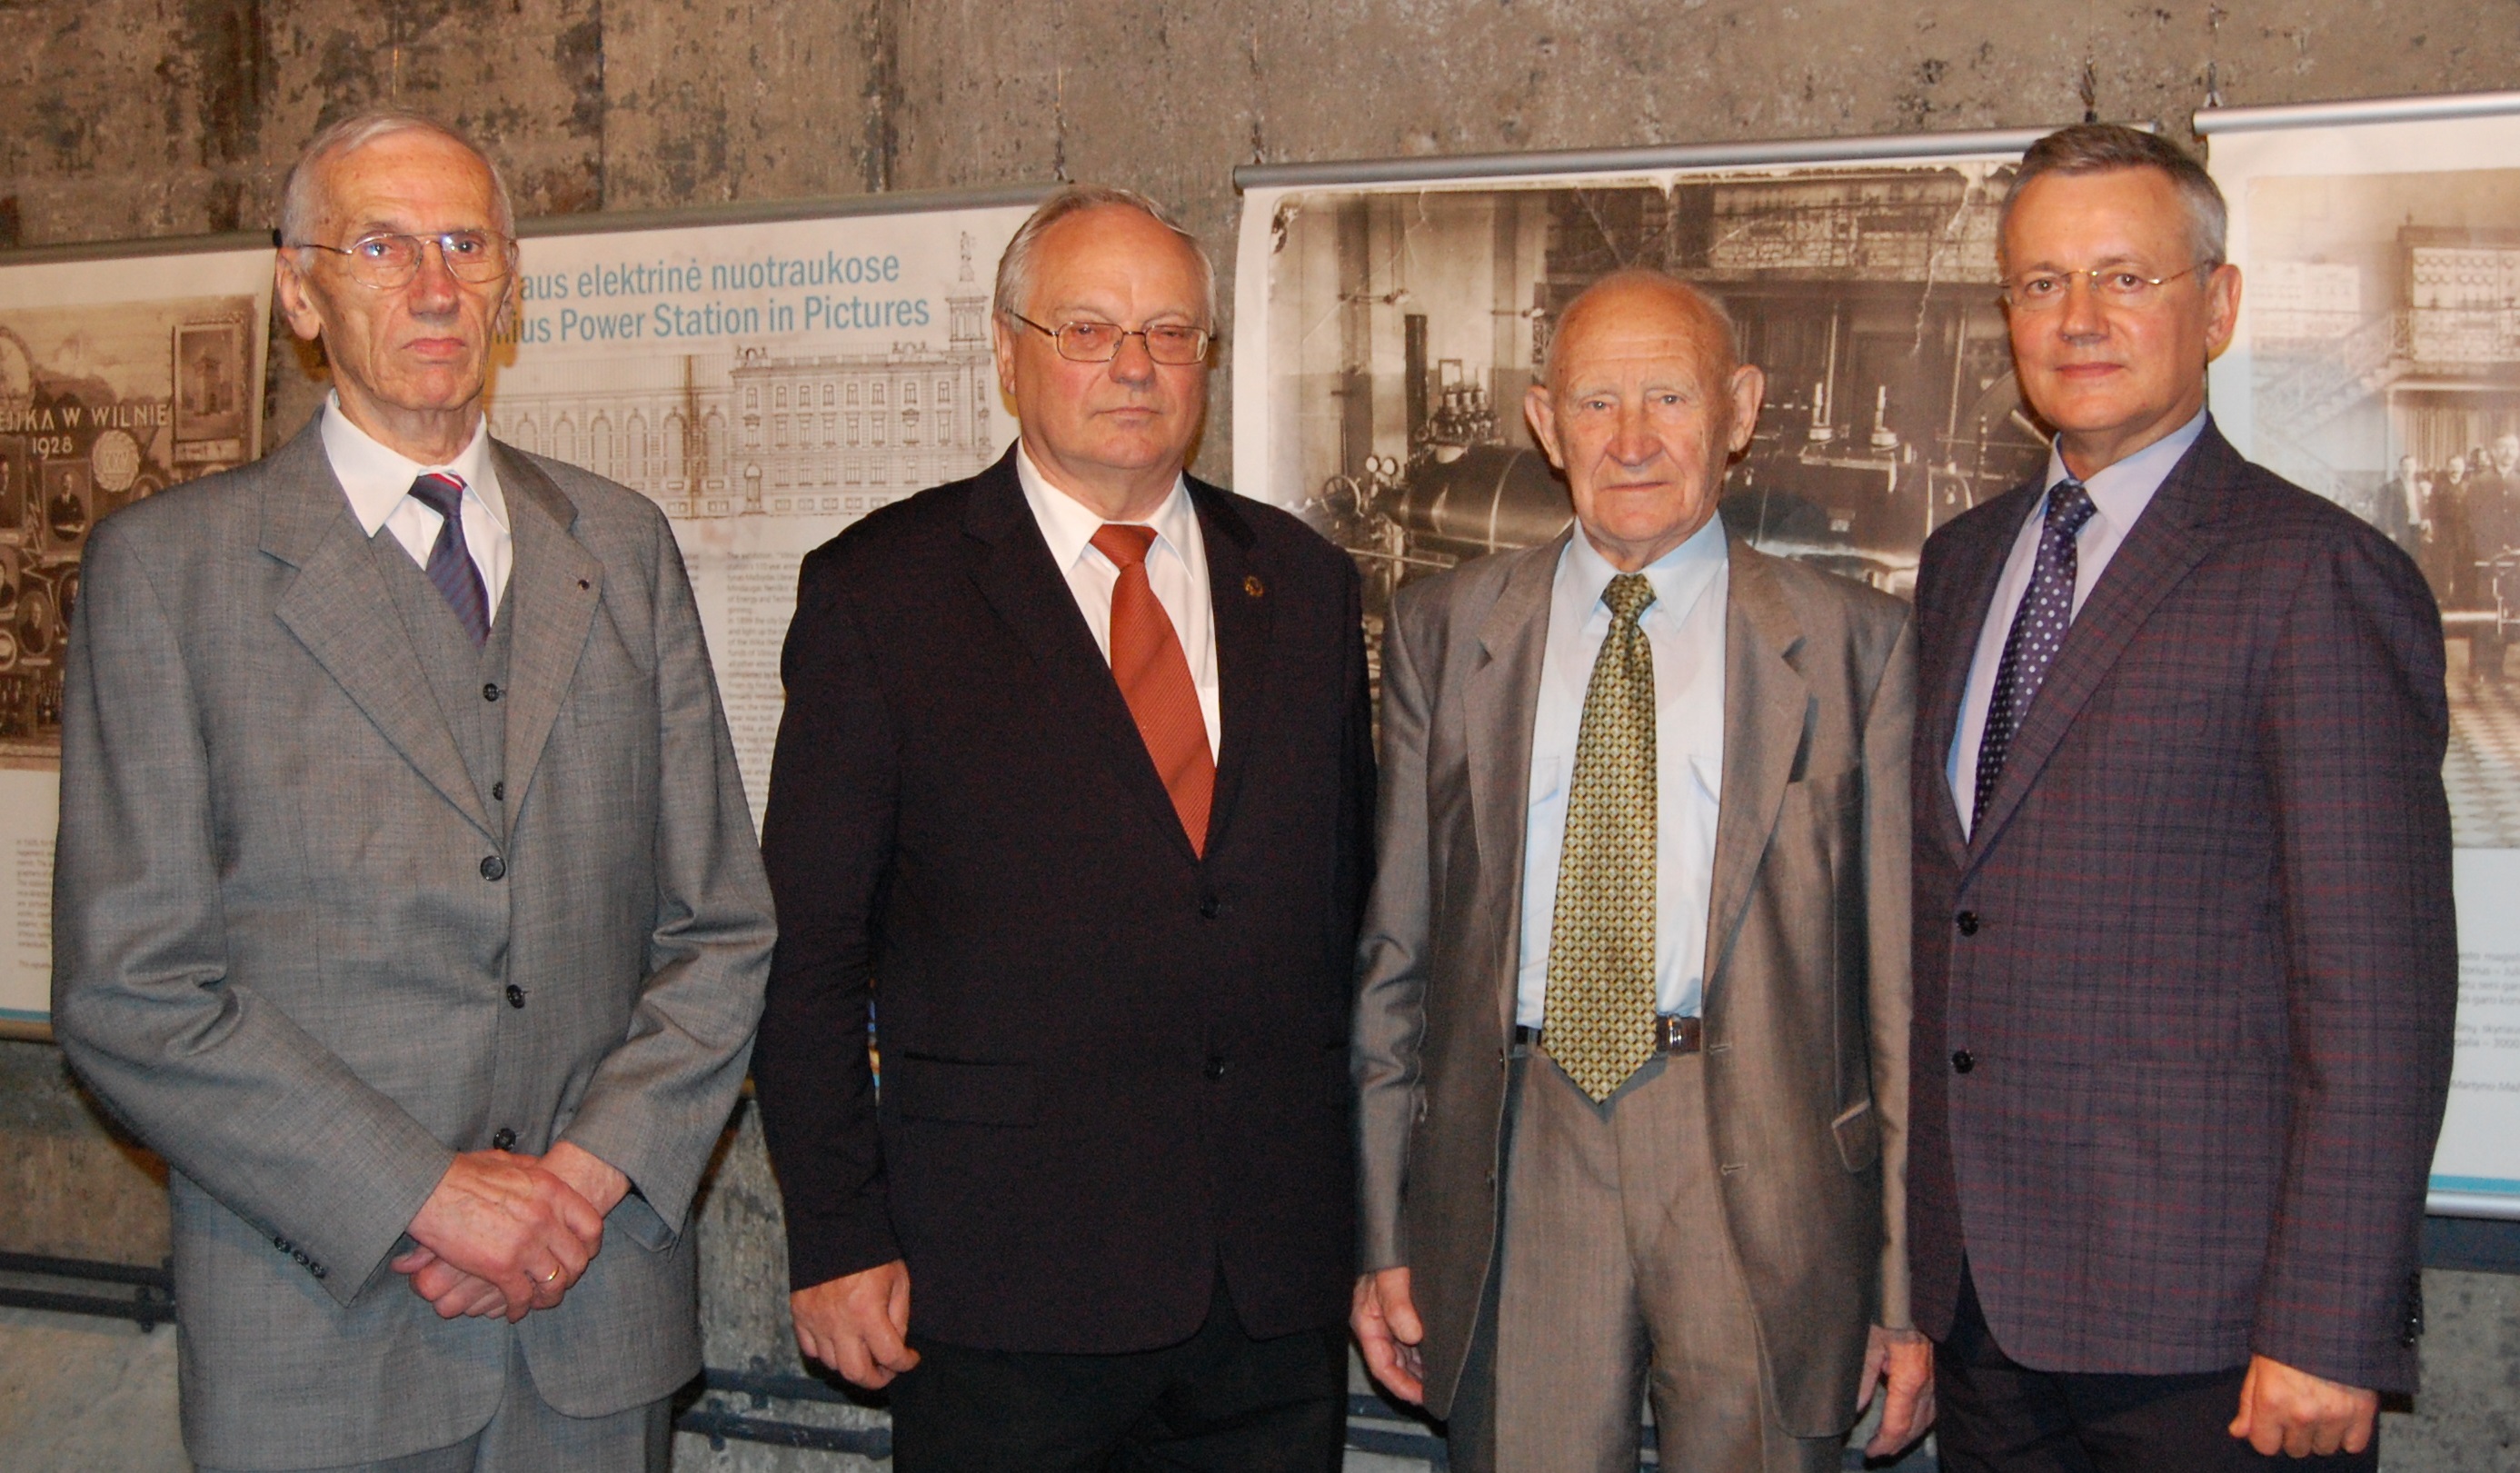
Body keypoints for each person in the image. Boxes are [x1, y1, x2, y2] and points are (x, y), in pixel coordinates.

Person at [50, 111, 776, 1472]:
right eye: (380, 247)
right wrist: (430, 1195)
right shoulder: (170, 573)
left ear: (511, 284)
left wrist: (575, 1188)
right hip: (319, 1333)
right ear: (299, 291)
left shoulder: (619, 548)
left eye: (466, 245)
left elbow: (721, 927)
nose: (435, 286)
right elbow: (133, 990)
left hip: (591, 1312)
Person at [752, 184, 1376, 1472]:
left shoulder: (1307, 588)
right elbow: (805, 956)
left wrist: (1381, 1224)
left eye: (1168, 332)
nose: (1134, 366)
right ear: (1005, 350)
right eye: (1087, 329)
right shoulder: (882, 594)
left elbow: (1352, 931)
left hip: (1268, 1295)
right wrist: (836, 1233)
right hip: (1000, 1292)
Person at [1908, 124, 2455, 1470]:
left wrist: (2329, 1322)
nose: (2078, 318)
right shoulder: (1961, 565)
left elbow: (2376, 992)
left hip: (2214, 1334)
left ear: (2216, 305)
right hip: (1981, 1315)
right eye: (2041, 283)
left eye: (2124, 277)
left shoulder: (2313, 574)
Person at [1350, 269, 1931, 1472]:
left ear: (1739, 409)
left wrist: (1902, 1280)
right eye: (1594, 401)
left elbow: (1897, 997)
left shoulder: (1855, 646)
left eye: (1668, 396)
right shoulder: (1442, 632)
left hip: (1762, 1168)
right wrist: (1383, 1225)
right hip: (1520, 1154)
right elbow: (1397, 950)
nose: (1630, 439)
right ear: (1543, 422)